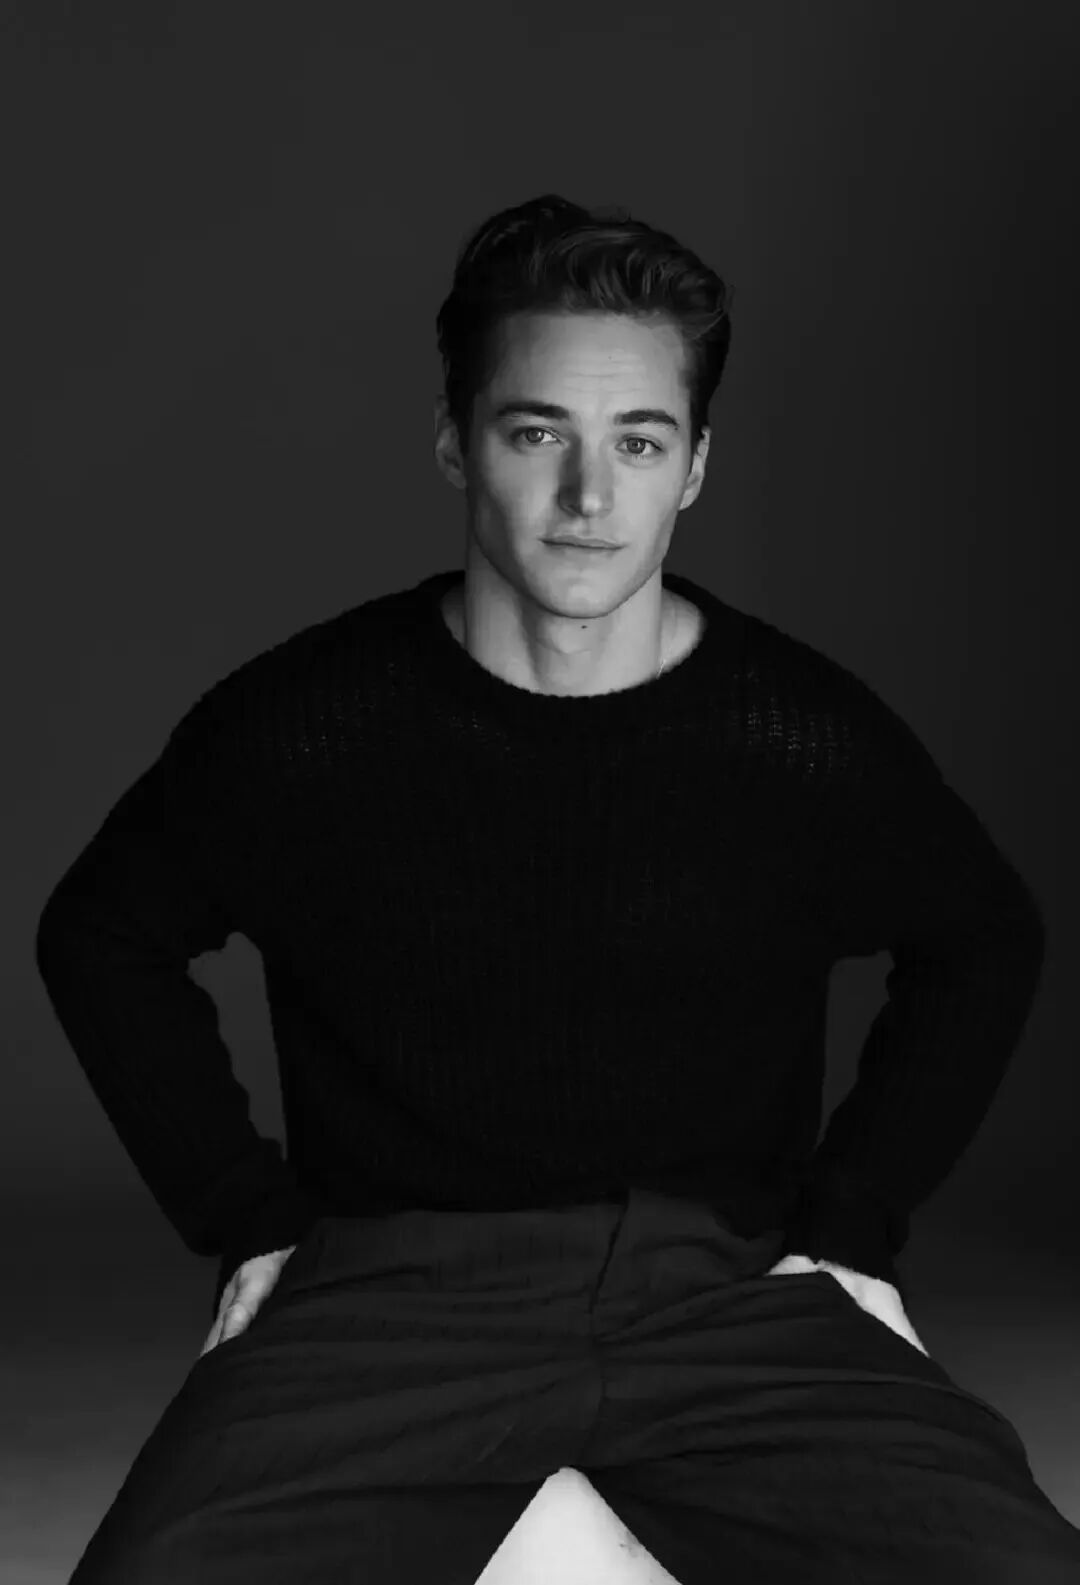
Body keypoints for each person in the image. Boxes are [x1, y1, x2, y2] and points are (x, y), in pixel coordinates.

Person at [35, 193, 1080, 1583]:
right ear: (454, 441)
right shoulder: (311, 725)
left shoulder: (795, 735)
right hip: (394, 1298)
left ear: (693, 466)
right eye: (538, 434)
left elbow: (983, 936)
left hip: (725, 1295)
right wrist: (244, 1214)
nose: (591, 497)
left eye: (638, 441)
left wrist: (855, 1223)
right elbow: (101, 932)